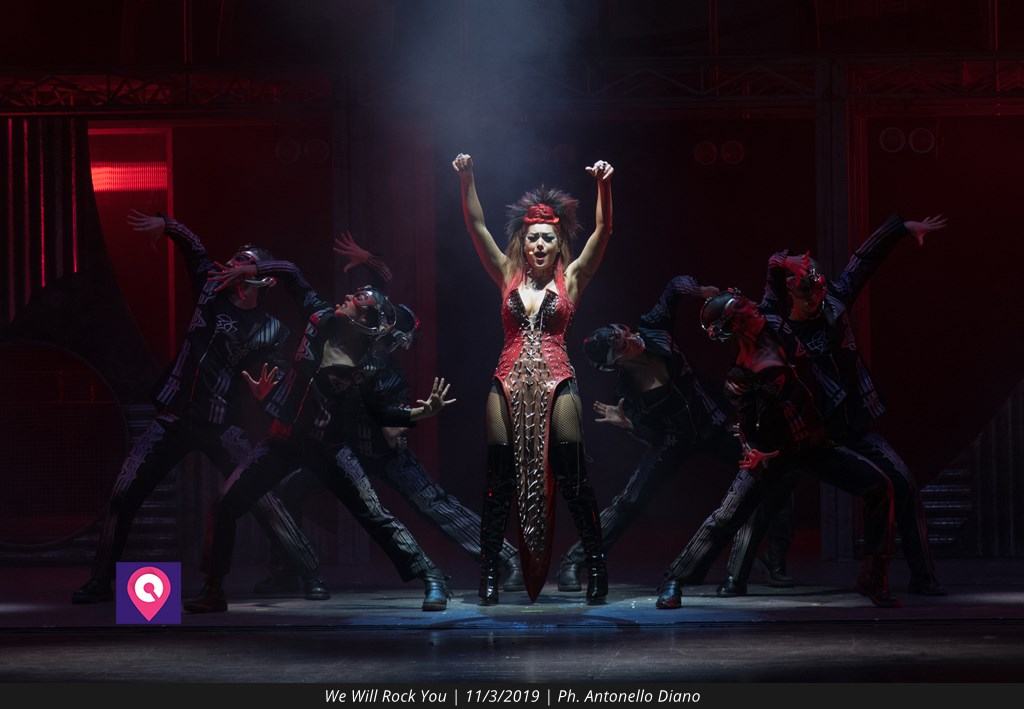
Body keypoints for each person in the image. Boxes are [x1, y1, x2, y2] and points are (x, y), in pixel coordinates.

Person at [72, 211, 325, 604]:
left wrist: (267, 387)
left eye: (246, 261)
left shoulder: (272, 327)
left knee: (263, 498)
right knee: (124, 494)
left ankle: (309, 574)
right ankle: (102, 581)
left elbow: (275, 371)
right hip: (174, 416)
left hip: (222, 425)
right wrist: (167, 225)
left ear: (264, 277)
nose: (234, 264)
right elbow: (195, 249)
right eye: (235, 258)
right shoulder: (210, 291)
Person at [254, 235, 524, 596]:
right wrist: (368, 257)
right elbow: (381, 281)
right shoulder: (351, 334)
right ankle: (289, 569)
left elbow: (389, 421)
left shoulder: (384, 369)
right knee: (289, 490)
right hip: (342, 448)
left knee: (432, 503)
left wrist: (404, 421)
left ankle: (504, 557)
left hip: (383, 453)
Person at [184, 265, 456, 612]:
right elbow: (292, 274)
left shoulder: (368, 366)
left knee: (374, 514)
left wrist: (418, 414)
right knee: (226, 504)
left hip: (330, 448)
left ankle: (432, 577)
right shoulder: (319, 317)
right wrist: (256, 268)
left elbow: (380, 413)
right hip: (283, 440)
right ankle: (213, 589)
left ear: (364, 320)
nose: (347, 296)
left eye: (357, 298)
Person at [655, 290, 900, 609]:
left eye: (747, 305)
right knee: (726, 517)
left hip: (811, 444)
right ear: (736, 324)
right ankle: (675, 579)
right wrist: (755, 451)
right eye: (744, 310)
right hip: (772, 453)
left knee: (879, 486)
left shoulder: (775, 328)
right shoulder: (741, 374)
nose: (753, 309)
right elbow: (746, 425)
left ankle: (873, 578)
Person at [747, 214, 948, 596]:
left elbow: (862, 262)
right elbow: (770, 281)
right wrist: (782, 263)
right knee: (761, 494)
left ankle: (920, 577)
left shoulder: (833, 305)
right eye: (807, 293)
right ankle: (743, 572)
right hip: (805, 435)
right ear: (791, 291)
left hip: (850, 425)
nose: (816, 300)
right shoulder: (779, 327)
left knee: (902, 483)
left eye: (818, 290)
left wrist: (901, 229)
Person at [452, 152, 613, 604]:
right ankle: (488, 572)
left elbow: (603, 231)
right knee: (498, 478)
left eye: (547, 238)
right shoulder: (507, 274)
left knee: (573, 473)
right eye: (532, 239)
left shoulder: (572, 278)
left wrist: (603, 185)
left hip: (557, 379)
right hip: (506, 380)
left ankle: (596, 567)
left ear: (558, 244)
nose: (539, 245)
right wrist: (468, 178)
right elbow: (477, 227)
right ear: (522, 243)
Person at [554, 275, 737, 590]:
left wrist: (700, 291)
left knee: (762, 471)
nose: (631, 339)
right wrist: (631, 425)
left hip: (712, 421)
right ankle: (575, 561)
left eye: (624, 333)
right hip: (674, 440)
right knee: (630, 500)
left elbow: (673, 286)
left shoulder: (653, 328)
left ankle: (767, 560)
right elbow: (653, 435)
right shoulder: (628, 391)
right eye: (622, 346)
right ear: (615, 362)